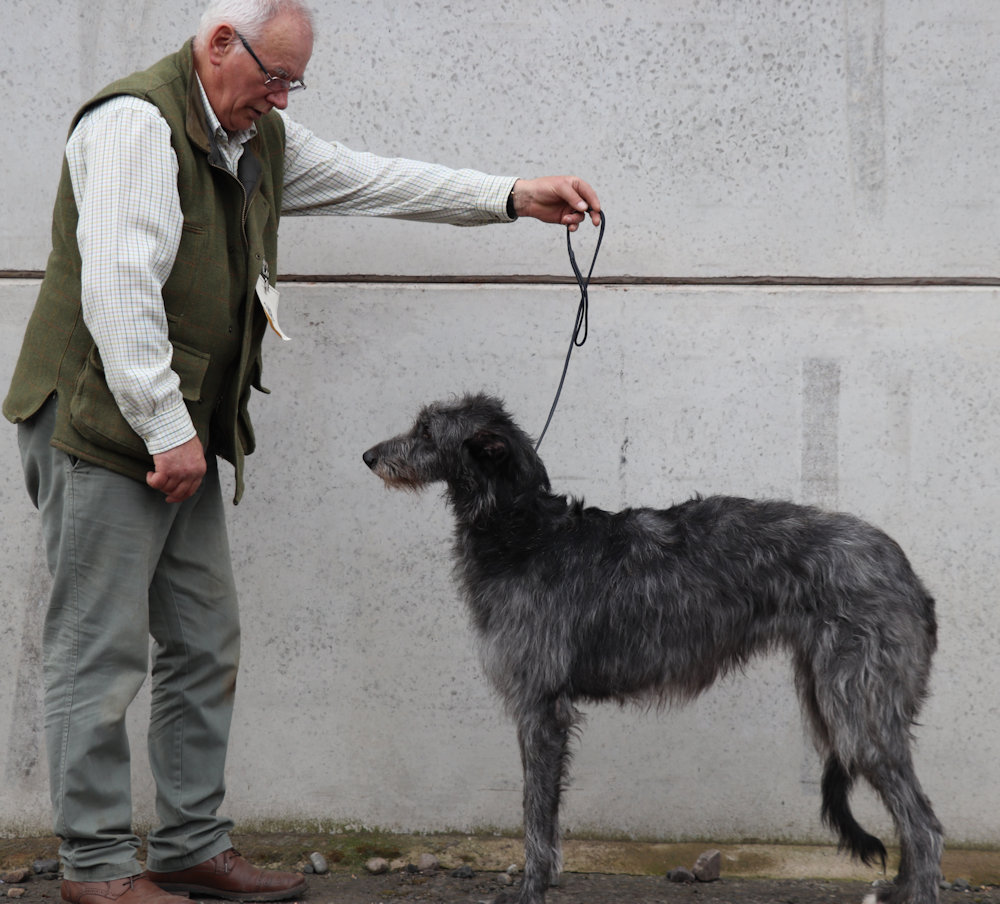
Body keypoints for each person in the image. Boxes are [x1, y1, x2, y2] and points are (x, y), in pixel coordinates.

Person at [3, 2, 601, 904]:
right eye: (272, 77)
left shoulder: (256, 136)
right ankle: (94, 871)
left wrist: (511, 195)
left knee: (205, 641)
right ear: (216, 45)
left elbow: (375, 180)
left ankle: (190, 846)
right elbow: (119, 292)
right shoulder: (133, 126)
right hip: (101, 422)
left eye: (293, 83)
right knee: (99, 650)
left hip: (178, 436)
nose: (281, 100)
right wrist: (169, 432)